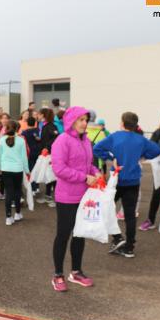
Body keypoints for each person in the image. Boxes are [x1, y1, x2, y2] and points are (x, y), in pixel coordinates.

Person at [93, 112, 160, 258]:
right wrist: (142, 157)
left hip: (116, 179)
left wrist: (111, 157)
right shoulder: (140, 139)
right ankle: (129, 247)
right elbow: (157, 150)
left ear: (122, 123)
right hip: (133, 181)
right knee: (130, 215)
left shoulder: (115, 136)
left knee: (107, 207)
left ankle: (117, 237)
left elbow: (97, 148)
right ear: (136, 125)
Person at [51, 106, 101, 292]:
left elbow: (89, 165)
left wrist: (96, 173)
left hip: (84, 196)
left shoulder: (86, 141)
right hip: (66, 197)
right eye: (80, 120)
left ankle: (76, 271)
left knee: (80, 234)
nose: (84, 123)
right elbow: (59, 169)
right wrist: (84, 177)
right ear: (71, 121)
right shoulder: (62, 140)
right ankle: (58, 274)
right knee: (63, 235)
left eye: (86, 120)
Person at [0, 120, 29, 225]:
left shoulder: (1, 140)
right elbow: (24, 158)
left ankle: (8, 217)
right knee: (17, 191)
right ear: (17, 129)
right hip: (18, 169)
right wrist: (27, 171)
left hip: (5, 169)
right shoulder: (21, 140)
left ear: (6, 129)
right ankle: (18, 214)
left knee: (8, 192)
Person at [37, 108, 59, 207]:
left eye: (39, 114)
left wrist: (47, 147)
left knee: (53, 176)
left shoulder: (51, 126)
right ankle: (48, 196)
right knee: (48, 175)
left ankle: (56, 199)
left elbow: (56, 138)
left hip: (51, 154)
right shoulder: (45, 125)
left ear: (43, 115)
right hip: (46, 154)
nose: (38, 115)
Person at [21, 116, 42, 193]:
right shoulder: (39, 130)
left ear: (27, 123)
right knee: (37, 169)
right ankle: (37, 187)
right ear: (35, 123)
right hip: (38, 152)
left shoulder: (25, 132)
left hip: (29, 153)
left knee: (31, 170)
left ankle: (33, 188)